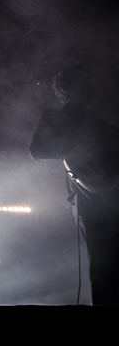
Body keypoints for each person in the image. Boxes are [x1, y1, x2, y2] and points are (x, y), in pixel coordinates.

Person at [29, 66, 118, 305]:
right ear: (63, 90)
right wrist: (72, 147)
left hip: (111, 193)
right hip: (86, 194)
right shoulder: (54, 117)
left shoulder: (99, 119)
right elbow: (37, 150)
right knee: (101, 260)